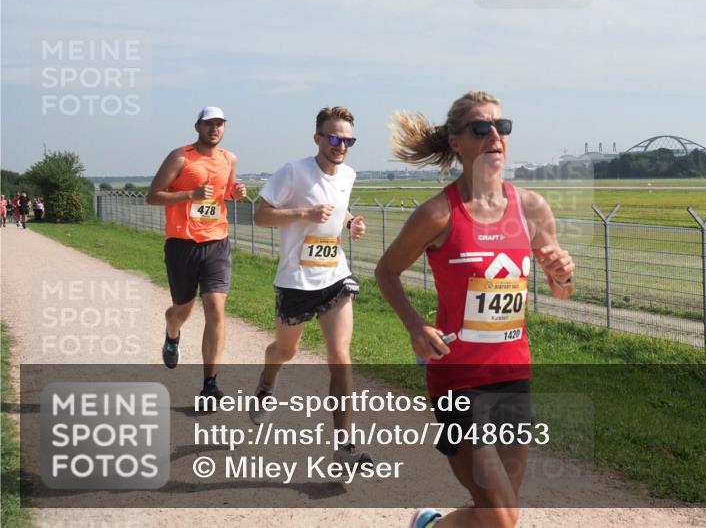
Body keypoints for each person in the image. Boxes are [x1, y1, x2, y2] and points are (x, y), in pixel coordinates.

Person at [373, 91, 575, 528]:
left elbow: (562, 292)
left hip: (512, 373)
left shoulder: (531, 207)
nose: (495, 137)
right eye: (480, 129)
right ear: (456, 142)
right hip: (458, 379)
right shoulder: (439, 213)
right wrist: (415, 326)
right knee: (501, 517)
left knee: (498, 517)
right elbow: (386, 272)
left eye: (501, 127)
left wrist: (562, 273)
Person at [250, 105, 372, 466]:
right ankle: (267, 382)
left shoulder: (348, 174)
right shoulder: (293, 172)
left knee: (340, 356)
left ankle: (343, 447)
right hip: (296, 281)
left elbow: (337, 208)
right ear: (317, 137)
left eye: (348, 140)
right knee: (285, 352)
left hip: (335, 275)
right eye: (334, 138)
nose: (341, 145)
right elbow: (259, 214)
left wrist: (350, 223)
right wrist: (303, 214)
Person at [146, 106, 246, 399]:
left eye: (219, 124)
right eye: (209, 124)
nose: (214, 128)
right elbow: (153, 196)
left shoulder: (230, 159)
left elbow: (224, 192)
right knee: (182, 311)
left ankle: (210, 385)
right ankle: (171, 332)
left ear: (224, 127)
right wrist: (189, 194)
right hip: (182, 245)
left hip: (216, 242)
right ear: (197, 126)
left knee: (216, 309)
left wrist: (234, 194)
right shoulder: (180, 157)